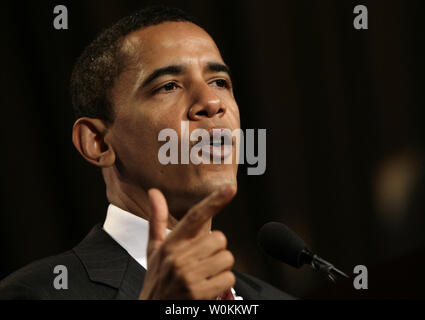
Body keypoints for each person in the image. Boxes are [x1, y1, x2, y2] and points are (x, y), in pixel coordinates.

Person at [0, 5, 292, 300]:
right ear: (97, 142)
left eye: (219, 82)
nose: (212, 102)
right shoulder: (36, 293)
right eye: (168, 86)